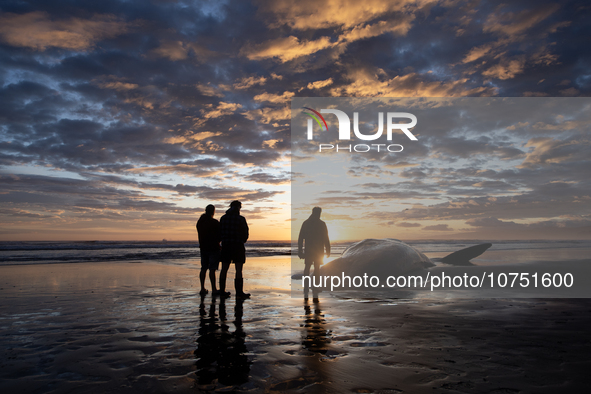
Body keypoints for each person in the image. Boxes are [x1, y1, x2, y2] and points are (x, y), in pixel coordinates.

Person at [298, 207, 330, 301]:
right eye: (318, 213)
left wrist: (300, 250)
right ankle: (313, 287)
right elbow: (325, 238)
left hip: (312, 250)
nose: (319, 214)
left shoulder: (307, 223)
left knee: (311, 268)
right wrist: (328, 249)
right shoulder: (320, 224)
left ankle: (308, 287)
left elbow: (301, 238)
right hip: (315, 250)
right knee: (313, 268)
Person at [219, 200, 250, 298]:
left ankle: (222, 291)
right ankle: (239, 292)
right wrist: (242, 240)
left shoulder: (223, 218)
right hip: (238, 246)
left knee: (224, 269)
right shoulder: (240, 219)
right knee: (239, 269)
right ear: (239, 208)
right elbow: (245, 233)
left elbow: (219, 232)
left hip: (226, 245)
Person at [196, 204, 224, 296]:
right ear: (213, 211)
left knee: (203, 268)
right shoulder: (215, 222)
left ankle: (202, 288)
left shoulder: (200, 222)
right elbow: (220, 235)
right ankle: (214, 289)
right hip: (213, 248)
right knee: (212, 269)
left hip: (203, 247)